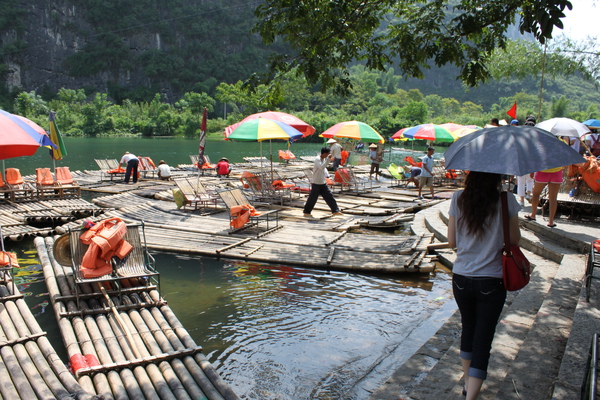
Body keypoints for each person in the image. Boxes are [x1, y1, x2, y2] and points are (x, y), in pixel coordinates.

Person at [447, 171, 521, 400]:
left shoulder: (457, 198)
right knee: (483, 337)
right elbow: (515, 239)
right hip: (492, 279)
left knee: (468, 329)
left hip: (461, 277)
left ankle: (469, 384)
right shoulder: (506, 200)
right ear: (497, 177)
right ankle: (471, 395)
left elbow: (452, 242)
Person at [303, 147, 343, 218]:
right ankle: (306, 212)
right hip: (316, 183)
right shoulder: (317, 159)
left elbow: (324, 167)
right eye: (327, 154)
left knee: (329, 196)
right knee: (312, 198)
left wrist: (327, 160)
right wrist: (328, 160)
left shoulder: (323, 159)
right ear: (324, 153)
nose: (328, 155)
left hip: (322, 182)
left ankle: (335, 210)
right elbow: (321, 167)